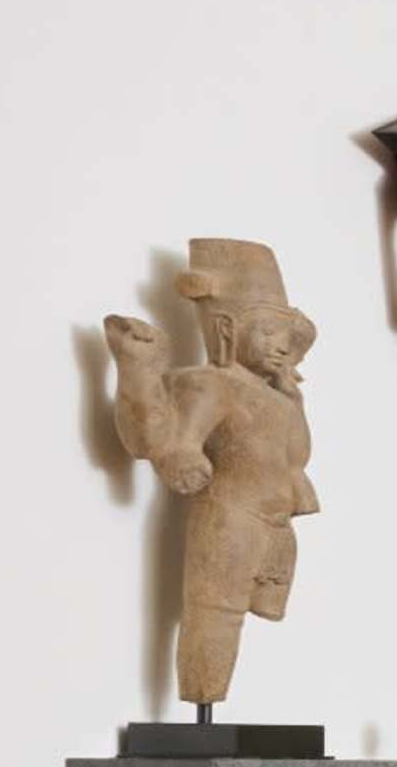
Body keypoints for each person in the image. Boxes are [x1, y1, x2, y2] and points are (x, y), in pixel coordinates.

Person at [106, 240, 316, 710]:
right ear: (226, 329)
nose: (282, 345)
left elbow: (295, 457)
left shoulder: (280, 398)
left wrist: (291, 395)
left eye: (286, 334)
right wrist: (141, 374)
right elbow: (165, 443)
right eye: (267, 331)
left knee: (232, 616)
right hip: (231, 517)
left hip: (275, 524)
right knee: (214, 616)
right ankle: (204, 697)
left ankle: (210, 700)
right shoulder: (213, 384)